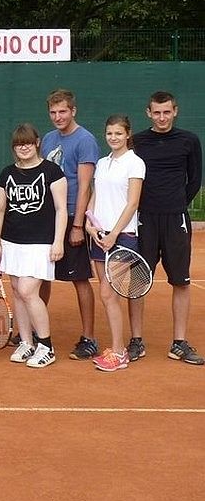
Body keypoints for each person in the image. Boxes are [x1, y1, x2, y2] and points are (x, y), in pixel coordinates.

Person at [129, 91, 203, 365]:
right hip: (143, 220)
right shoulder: (136, 141)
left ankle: (179, 343)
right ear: (148, 113)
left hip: (175, 221)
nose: (162, 118)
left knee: (180, 282)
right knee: (138, 282)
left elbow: (194, 180)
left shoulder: (189, 141)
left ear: (175, 111)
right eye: (157, 112)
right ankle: (136, 341)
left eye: (167, 112)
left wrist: (176, 204)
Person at [0, 124, 67, 369]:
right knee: (17, 291)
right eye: (18, 144)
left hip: (41, 243)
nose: (23, 147)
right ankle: (26, 343)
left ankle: (46, 346)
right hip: (12, 241)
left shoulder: (52, 171)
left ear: (36, 143)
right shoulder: (7, 173)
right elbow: (0, 209)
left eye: (27, 142)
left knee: (27, 290)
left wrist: (58, 241)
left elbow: (60, 209)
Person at [39, 89, 100, 360]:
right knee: (40, 275)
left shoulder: (85, 140)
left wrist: (77, 225)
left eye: (63, 111)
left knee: (79, 279)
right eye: (53, 112)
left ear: (73, 111)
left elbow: (85, 186)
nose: (57, 117)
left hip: (72, 216)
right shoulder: (49, 138)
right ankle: (35, 331)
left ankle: (88, 339)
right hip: (48, 218)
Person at [85, 115, 144, 371]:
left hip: (123, 237)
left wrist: (114, 234)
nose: (113, 138)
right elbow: (95, 195)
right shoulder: (101, 163)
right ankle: (117, 347)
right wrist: (89, 222)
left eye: (118, 133)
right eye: (109, 133)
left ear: (127, 134)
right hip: (100, 236)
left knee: (111, 294)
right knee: (106, 294)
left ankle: (119, 353)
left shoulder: (135, 163)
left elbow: (133, 203)